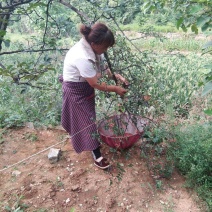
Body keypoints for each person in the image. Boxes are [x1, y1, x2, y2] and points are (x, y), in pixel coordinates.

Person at [61, 22, 127, 169]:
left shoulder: (95, 50)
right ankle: (96, 154)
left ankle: (88, 142)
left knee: (87, 118)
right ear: (94, 43)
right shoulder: (82, 57)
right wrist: (115, 89)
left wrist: (117, 76)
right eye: (105, 46)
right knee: (88, 121)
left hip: (84, 86)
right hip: (76, 89)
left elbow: (103, 69)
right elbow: (95, 83)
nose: (106, 50)